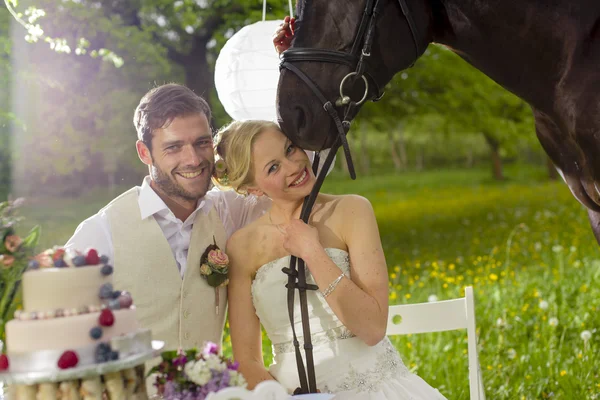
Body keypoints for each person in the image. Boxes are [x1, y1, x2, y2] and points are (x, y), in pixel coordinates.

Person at [216, 120, 447, 399]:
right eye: (273, 167)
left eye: (290, 149)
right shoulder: (242, 247)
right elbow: (247, 362)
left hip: (377, 389)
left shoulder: (351, 210)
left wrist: (313, 252)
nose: (294, 166)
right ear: (254, 189)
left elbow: (372, 329)